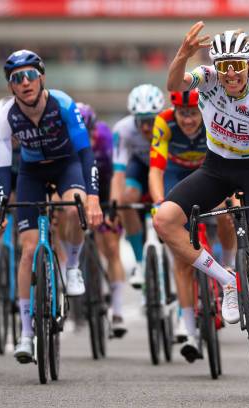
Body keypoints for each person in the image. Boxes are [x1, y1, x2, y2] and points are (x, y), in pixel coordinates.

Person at [154, 22, 249, 369]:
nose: (230, 74)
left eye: (237, 66)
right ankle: (229, 281)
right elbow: (174, 85)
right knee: (164, 220)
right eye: (225, 66)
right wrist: (183, 54)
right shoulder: (207, 79)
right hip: (216, 167)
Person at [0, 50, 102, 363]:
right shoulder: (6, 116)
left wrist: (92, 197)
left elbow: (85, 153)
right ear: (11, 87)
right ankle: (26, 334)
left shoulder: (64, 103)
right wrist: (1, 204)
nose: (24, 82)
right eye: (16, 78)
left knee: (72, 208)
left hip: (66, 165)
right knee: (27, 252)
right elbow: (2, 167)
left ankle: (72, 267)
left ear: (41, 77)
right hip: (31, 172)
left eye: (29, 75)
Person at [149, 89, 235, 362]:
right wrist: (158, 201)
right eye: (182, 113)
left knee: (227, 214)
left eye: (193, 113)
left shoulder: (214, 117)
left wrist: (231, 197)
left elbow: (231, 160)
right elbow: (155, 169)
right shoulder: (163, 122)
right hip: (175, 177)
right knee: (181, 261)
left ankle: (229, 262)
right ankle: (189, 331)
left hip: (208, 174)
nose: (187, 120)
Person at [77, 102, 128, 337]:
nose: (85, 138)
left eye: (88, 133)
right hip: (80, 187)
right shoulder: (68, 141)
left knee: (111, 246)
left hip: (105, 187)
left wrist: (111, 212)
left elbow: (117, 176)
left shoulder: (105, 137)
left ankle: (117, 311)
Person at [111, 84, 165, 288]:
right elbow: (118, 172)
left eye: (150, 121)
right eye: (140, 121)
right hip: (139, 169)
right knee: (126, 201)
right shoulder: (123, 129)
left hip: (164, 170)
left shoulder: (169, 124)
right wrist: (116, 204)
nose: (145, 128)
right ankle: (139, 262)